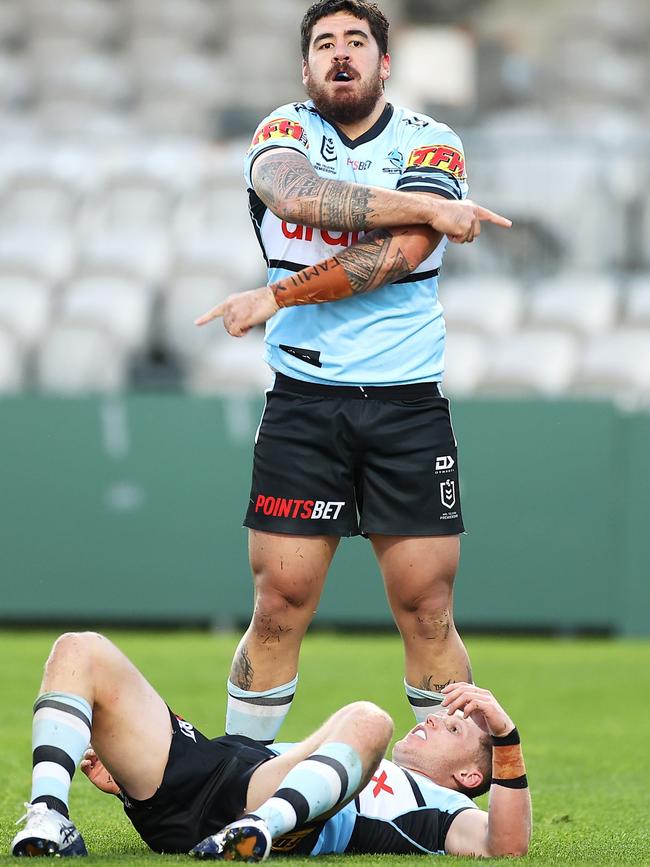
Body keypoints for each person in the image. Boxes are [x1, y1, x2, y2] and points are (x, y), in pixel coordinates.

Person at [195, 0, 512, 745]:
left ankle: (446, 791)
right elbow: (297, 194)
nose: (342, 55)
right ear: (306, 67)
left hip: (406, 405)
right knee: (279, 603)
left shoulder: (434, 142)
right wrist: (432, 210)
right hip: (304, 403)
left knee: (427, 607)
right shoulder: (283, 132)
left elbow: (394, 259)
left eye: (357, 42)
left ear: (384, 62)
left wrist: (275, 294)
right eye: (325, 44)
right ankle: (245, 778)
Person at [11, 632, 531, 860]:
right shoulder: (344, 757)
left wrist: (505, 736)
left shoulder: (441, 809)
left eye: (456, 730)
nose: (436, 722)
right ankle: (49, 815)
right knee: (80, 649)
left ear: (468, 776)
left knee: (370, 717)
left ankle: (257, 831)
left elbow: (504, 845)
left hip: (262, 805)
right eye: (444, 717)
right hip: (203, 769)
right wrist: (122, 773)